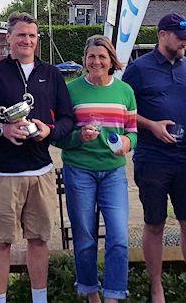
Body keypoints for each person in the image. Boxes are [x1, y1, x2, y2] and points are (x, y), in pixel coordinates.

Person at [0, 12, 75, 303]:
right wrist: (2, 129)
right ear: (9, 39)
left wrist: (47, 130)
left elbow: (67, 120)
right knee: (0, 242)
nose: (27, 40)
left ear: (37, 40)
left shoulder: (51, 74)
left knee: (39, 240)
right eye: (21, 35)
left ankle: (40, 300)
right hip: (2, 173)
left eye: (32, 35)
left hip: (40, 172)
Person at [122, 13, 186, 303]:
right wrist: (151, 125)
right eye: (180, 37)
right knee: (155, 223)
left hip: (183, 155)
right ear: (162, 35)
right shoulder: (139, 68)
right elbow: (123, 111)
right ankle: (156, 287)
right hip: (151, 157)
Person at [54, 35, 138, 303]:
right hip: (79, 170)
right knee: (85, 234)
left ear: (111, 60)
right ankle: (90, 291)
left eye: (102, 56)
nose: (97, 61)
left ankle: (113, 294)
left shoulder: (125, 91)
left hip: (113, 172)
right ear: (85, 60)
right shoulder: (71, 90)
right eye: (92, 56)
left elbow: (133, 132)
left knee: (119, 235)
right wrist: (80, 137)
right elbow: (58, 136)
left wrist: (127, 142)